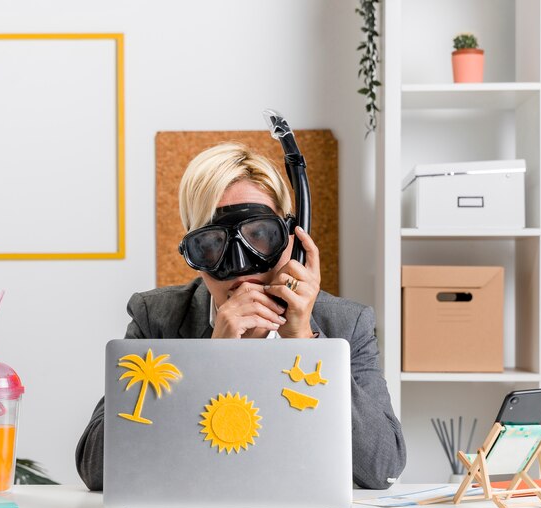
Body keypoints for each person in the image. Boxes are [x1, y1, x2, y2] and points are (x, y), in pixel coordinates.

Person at [76, 143, 406, 490]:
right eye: (213, 244)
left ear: (292, 240)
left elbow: (383, 469)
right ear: (195, 252)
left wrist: (305, 345)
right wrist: (209, 359)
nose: (241, 267)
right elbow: (96, 470)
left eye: (260, 236)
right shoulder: (156, 318)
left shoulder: (346, 324)